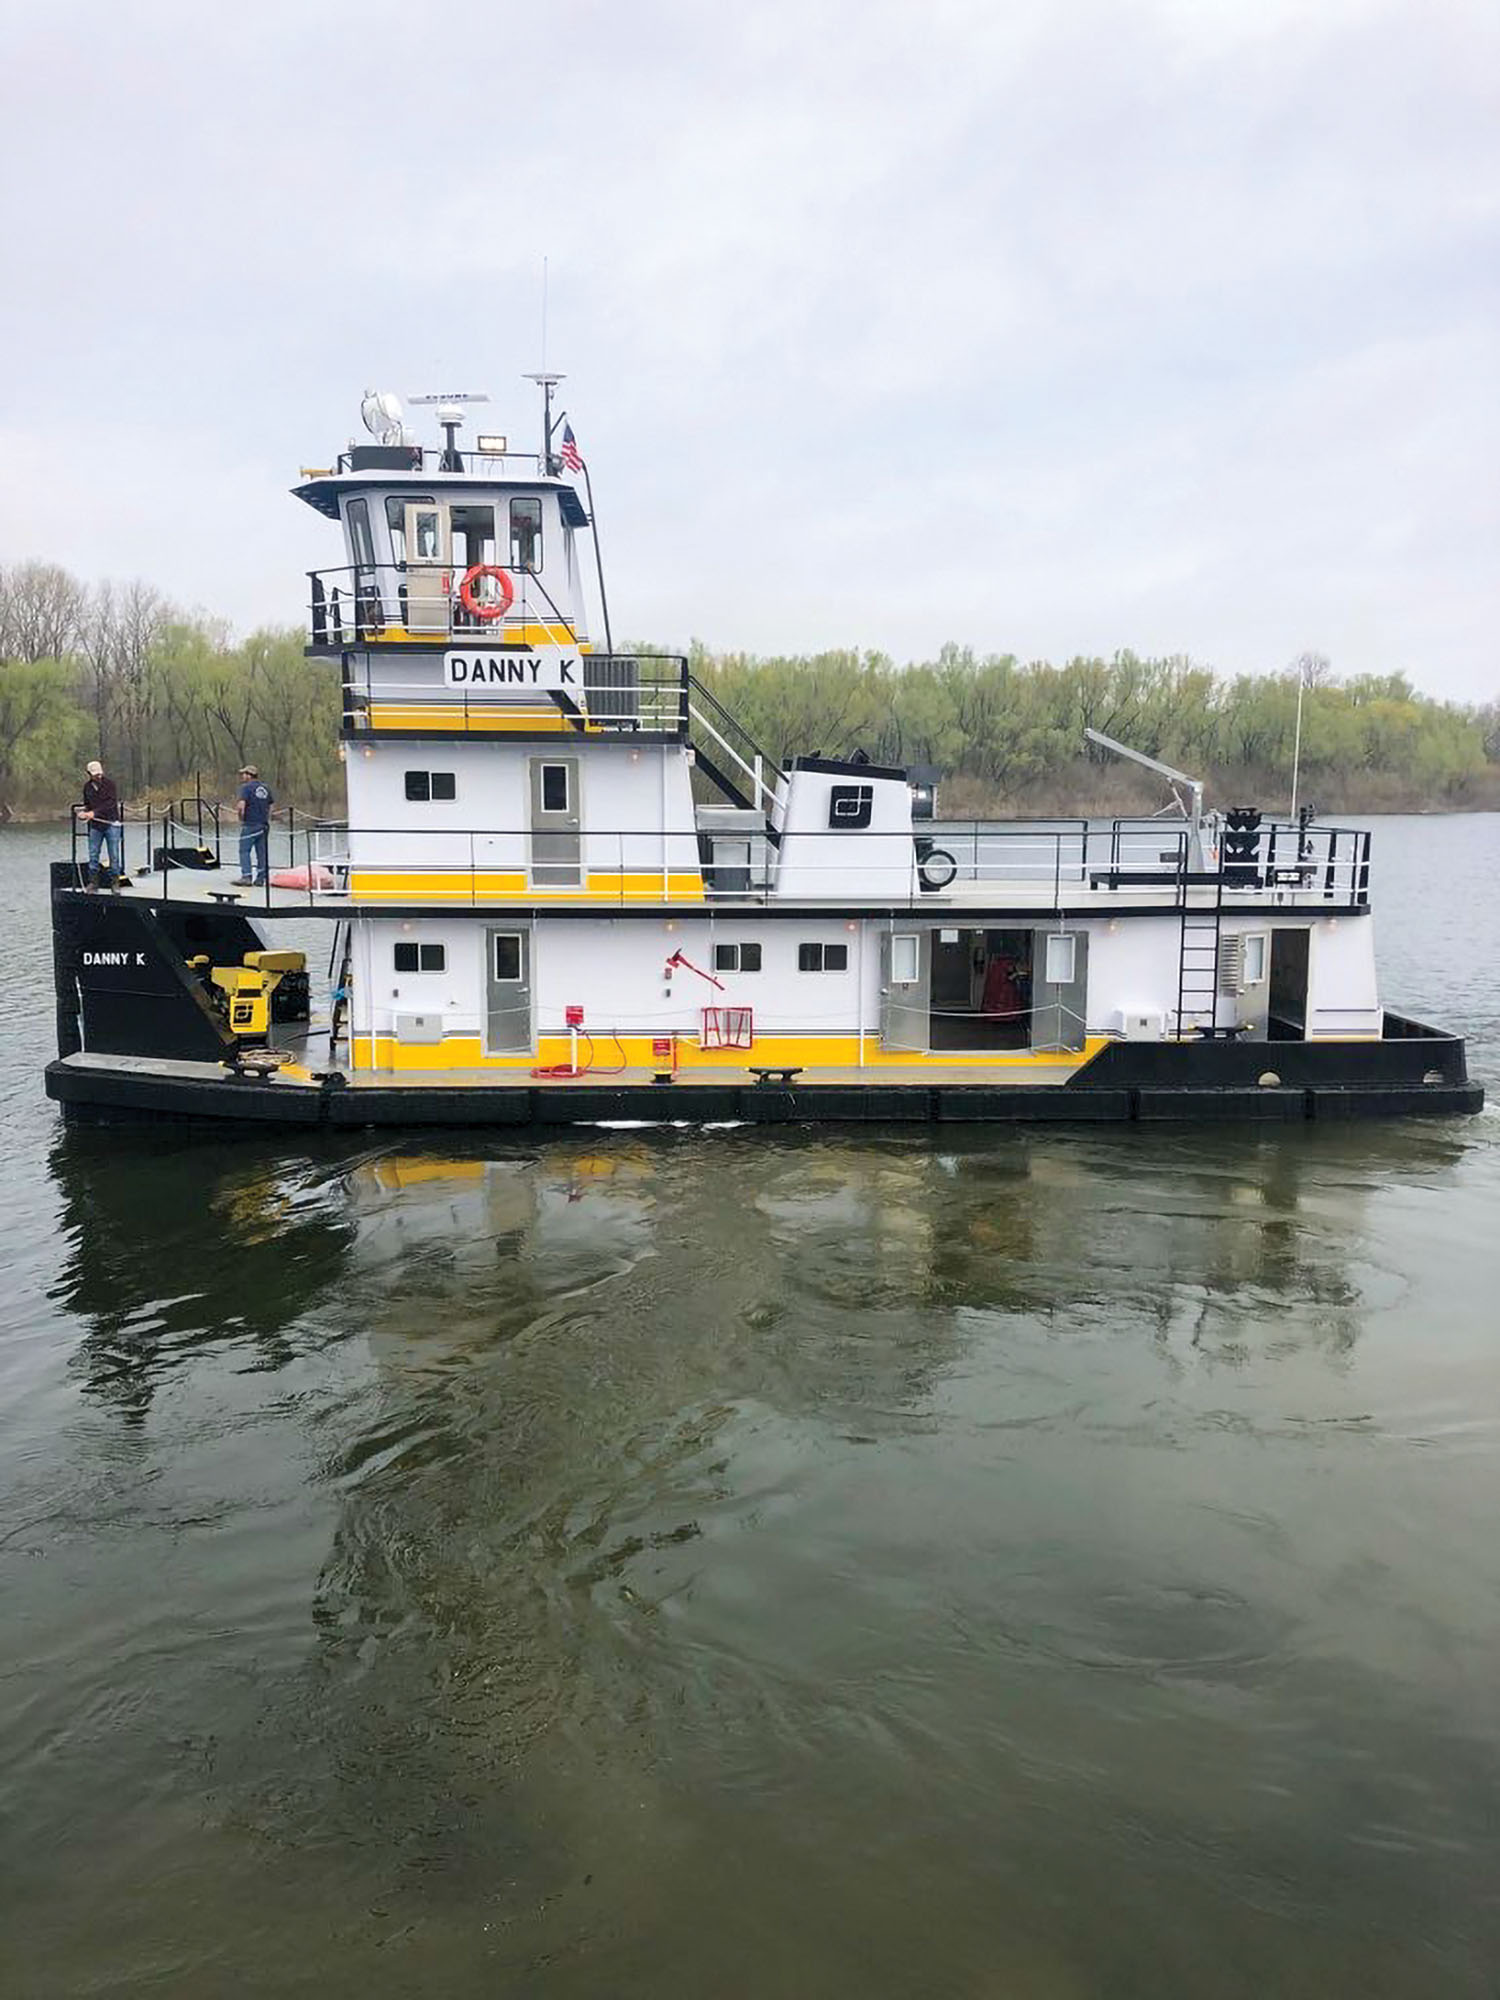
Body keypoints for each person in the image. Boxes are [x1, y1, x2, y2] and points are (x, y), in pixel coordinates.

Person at [75, 758, 125, 892]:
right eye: (95, 774)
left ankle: (115, 882)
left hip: (111, 824)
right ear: (89, 774)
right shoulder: (87, 788)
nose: (98, 775)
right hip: (95, 826)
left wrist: (94, 813)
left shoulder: (110, 785)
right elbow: (87, 805)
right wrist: (84, 814)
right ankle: (93, 883)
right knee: (93, 853)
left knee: (113, 854)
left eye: (99, 773)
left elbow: (110, 804)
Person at [234, 764, 275, 886]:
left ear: (249, 775)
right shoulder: (266, 788)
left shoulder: (246, 788)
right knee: (261, 852)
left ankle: (246, 876)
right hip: (263, 825)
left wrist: (241, 818)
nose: (242, 776)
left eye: (244, 774)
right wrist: (267, 818)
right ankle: (261, 878)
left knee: (244, 850)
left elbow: (241, 806)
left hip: (250, 824)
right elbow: (271, 806)